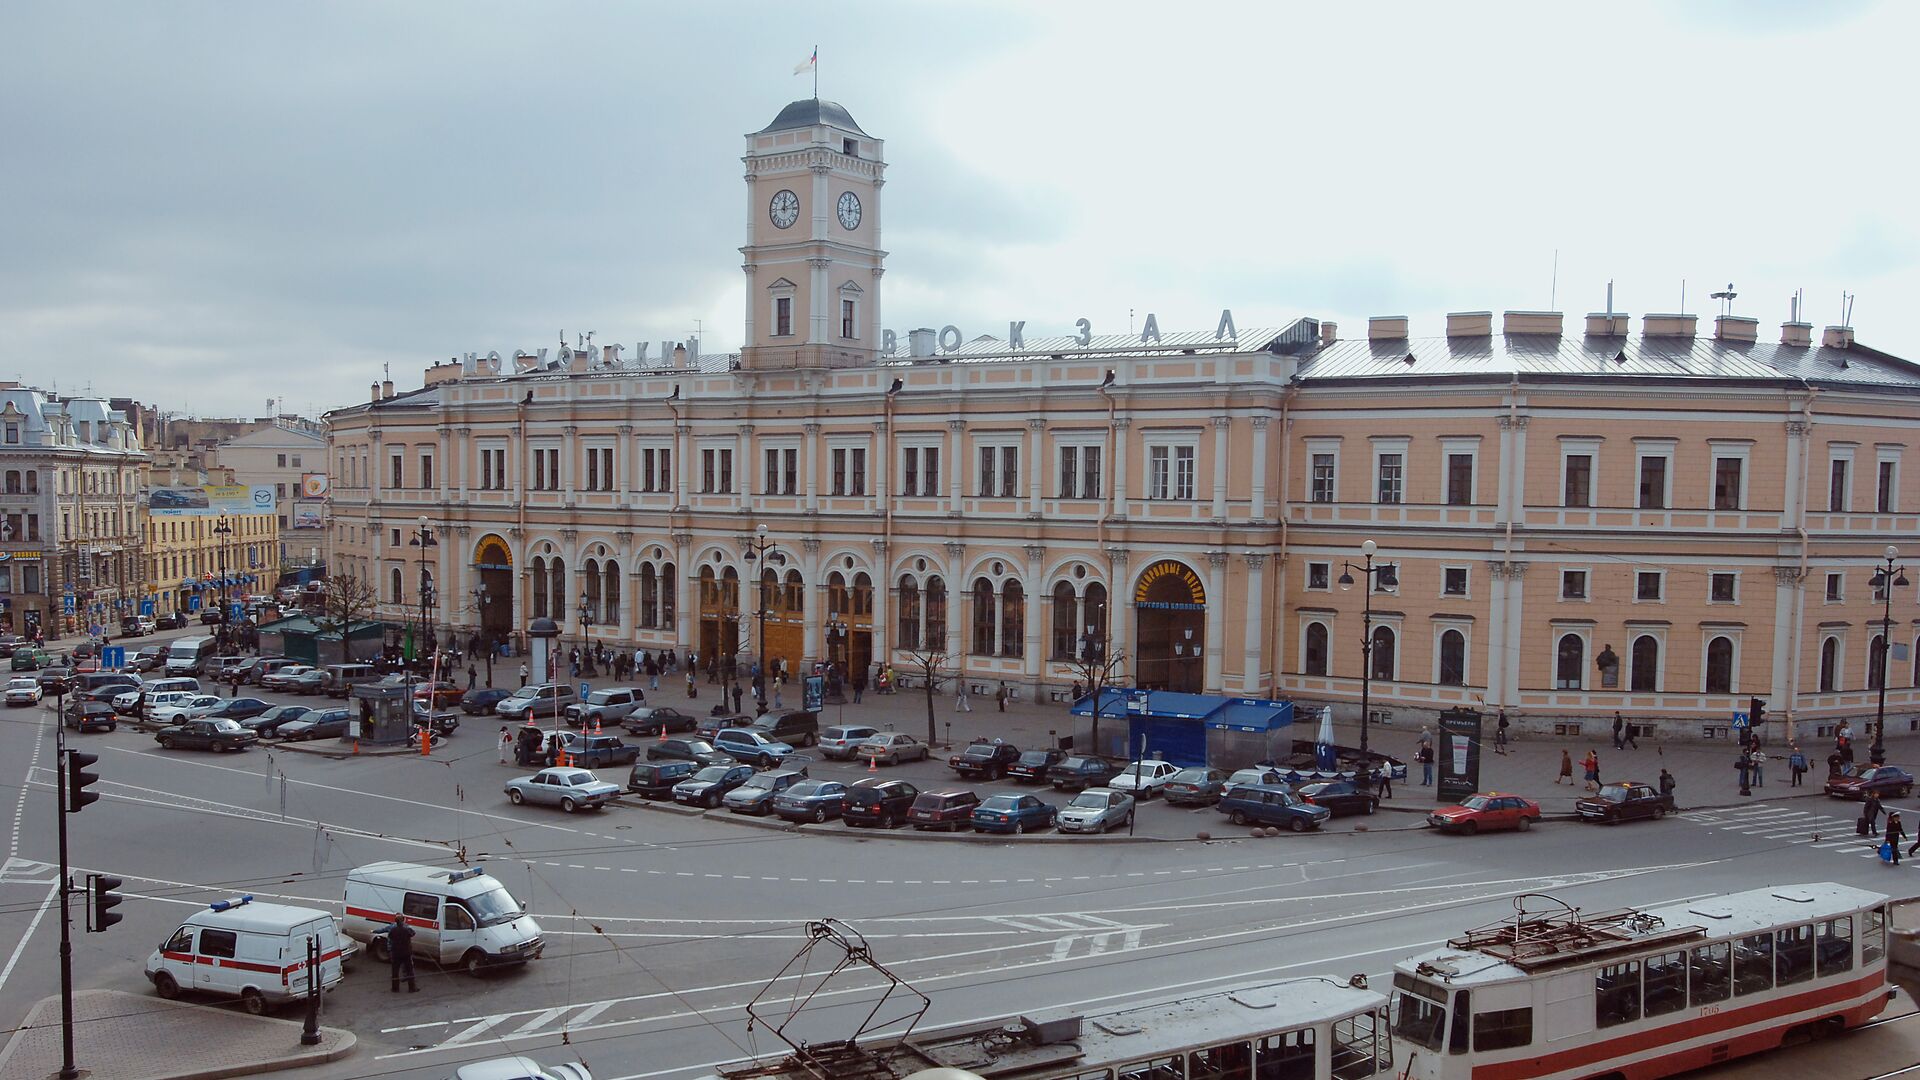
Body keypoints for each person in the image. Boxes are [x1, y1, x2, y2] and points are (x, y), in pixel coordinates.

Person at [384, 913, 418, 993]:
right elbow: (413, 933)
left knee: (395, 971)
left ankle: (395, 988)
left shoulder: (393, 930)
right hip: (406, 953)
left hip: (396, 953)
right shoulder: (406, 929)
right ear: (403, 920)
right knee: (409, 970)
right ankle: (412, 988)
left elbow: (390, 937)